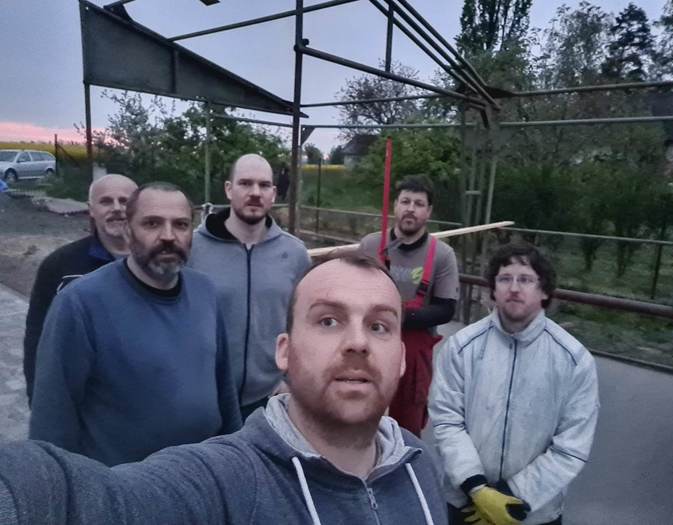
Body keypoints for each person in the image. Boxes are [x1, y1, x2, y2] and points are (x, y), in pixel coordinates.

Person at [0, 254, 448, 525]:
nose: (357, 342)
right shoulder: (225, 483)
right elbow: (91, 501)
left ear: (401, 358)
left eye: (379, 326)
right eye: (328, 320)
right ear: (285, 351)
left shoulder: (419, 464)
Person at [29, 182, 241, 466]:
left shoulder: (206, 292)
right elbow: (52, 417)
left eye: (180, 224)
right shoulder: (80, 304)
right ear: (128, 231)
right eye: (152, 223)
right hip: (123, 485)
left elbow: (224, 386)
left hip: (205, 473)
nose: (168, 236)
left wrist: (236, 458)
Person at [429, 242, 599, 525]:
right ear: (493, 289)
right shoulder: (461, 347)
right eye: (505, 279)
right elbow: (447, 420)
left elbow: (571, 446)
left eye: (526, 280)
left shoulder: (574, 360)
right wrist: (477, 489)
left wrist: (512, 497)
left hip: (533, 513)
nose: (514, 288)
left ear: (544, 291)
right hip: (466, 506)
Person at [189, 153, 310, 420]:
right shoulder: (193, 249)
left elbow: (304, 322)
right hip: (205, 399)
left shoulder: (295, 254)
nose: (255, 192)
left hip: (269, 401)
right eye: (245, 183)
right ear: (228, 189)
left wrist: (290, 379)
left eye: (264, 185)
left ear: (273, 193)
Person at [23, 173, 137, 403]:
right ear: (91, 210)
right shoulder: (60, 266)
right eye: (106, 201)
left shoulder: (159, 263)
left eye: (124, 201)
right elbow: (38, 335)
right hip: (82, 397)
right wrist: (38, 395)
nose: (116, 208)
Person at [359, 176, 459, 435]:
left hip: (414, 356)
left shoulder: (442, 255)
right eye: (405, 201)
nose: (410, 209)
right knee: (361, 419)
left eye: (418, 204)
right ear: (395, 205)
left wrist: (397, 316)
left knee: (407, 430)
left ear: (429, 211)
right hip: (369, 348)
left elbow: (446, 309)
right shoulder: (371, 245)